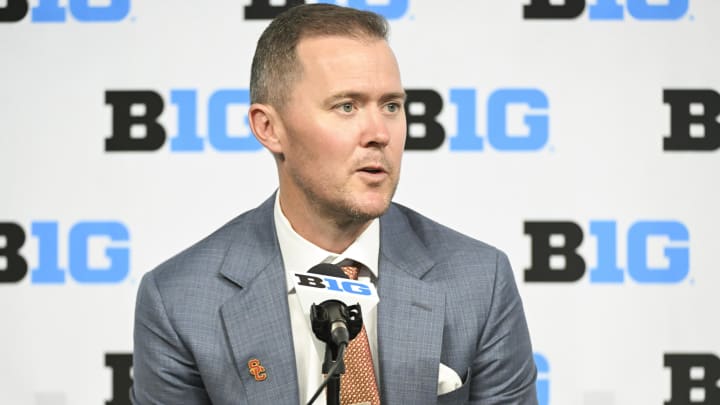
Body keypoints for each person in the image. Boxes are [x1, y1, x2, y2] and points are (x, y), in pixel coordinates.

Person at [131, 4, 537, 404]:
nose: (379, 133)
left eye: (391, 106)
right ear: (269, 128)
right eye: (347, 106)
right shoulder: (180, 302)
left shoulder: (479, 282)